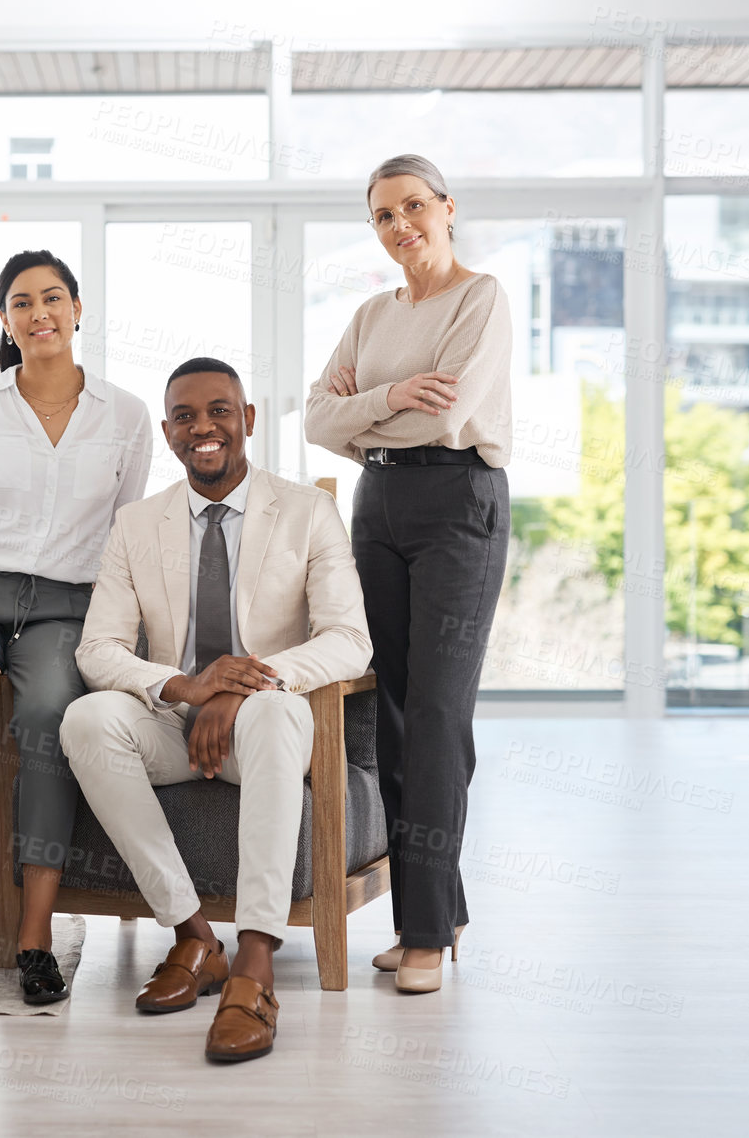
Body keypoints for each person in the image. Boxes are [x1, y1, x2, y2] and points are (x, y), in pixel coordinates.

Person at [60, 357, 372, 1062]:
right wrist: (187, 686)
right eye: (184, 416)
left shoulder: (306, 511)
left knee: (266, 713)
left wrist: (239, 685)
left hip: (273, 728)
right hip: (178, 727)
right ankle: (195, 937)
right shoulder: (138, 524)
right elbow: (97, 649)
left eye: (218, 411)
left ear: (248, 419)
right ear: (169, 433)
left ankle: (255, 960)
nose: (203, 428)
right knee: (86, 719)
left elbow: (349, 640)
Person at [0, 250, 151, 1004]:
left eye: (52, 298)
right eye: (21, 302)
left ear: (79, 310)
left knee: (49, 718)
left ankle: (36, 937)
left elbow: (125, 539)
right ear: (5, 321)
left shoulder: (126, 415)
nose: (38, 312)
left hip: (64, 607)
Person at [303, 153, 513, 995]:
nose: (401, 226)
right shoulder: (367, 314)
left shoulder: (480, 296)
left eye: (413, 207)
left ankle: (423, 931)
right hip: (376, 502)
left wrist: (368, 406)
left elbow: (451, 413)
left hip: (457, 503)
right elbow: (318, 418)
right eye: (384, 216)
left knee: (434, 715)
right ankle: (434, 911)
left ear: (447, 207)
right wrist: (392, 399)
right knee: (387, 711)